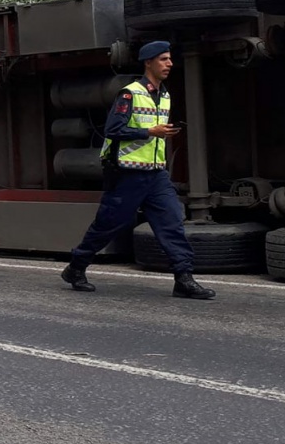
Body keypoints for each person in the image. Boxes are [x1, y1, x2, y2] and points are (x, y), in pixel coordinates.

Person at [61, 41, 216, 300]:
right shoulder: (130, 94)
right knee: (109, 225)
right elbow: (112, 130)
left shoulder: (164, 95)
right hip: (127, 173)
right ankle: (76, 267)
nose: (169, 64)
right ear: (148, 62)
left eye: (169, 59)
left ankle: (184, 279)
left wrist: (161, 134)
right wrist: (150, 132)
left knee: (172, 223)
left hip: (156, 174)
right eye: (164, 59)